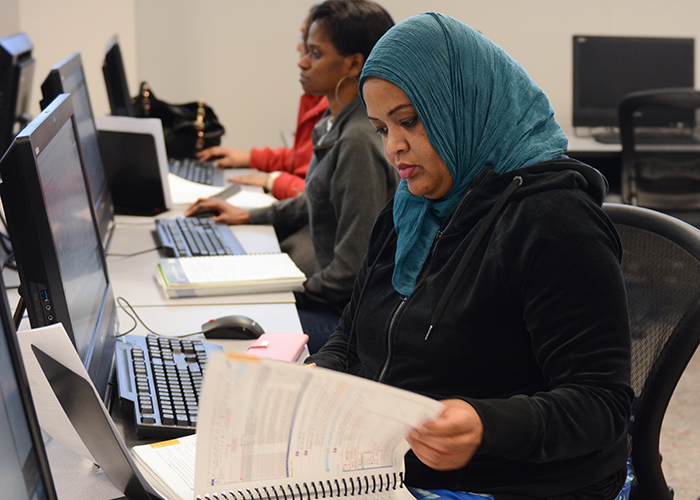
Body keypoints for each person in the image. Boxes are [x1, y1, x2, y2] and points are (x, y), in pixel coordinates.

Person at [305, 12, 634, 500]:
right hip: (384, 467)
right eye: (380, 129)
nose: (394, 147)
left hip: (504, 485)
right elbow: (351, 336)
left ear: (461, 105)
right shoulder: (410, 209)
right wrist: (317, 382)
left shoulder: (553, 219)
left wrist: (486, 424)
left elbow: (602, 404)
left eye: (409, 121)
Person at [185, 0, 399, 354]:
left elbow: (350, 272)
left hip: (341, 320)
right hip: (323, 299)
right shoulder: (334, 122)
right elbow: (317, 198)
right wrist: (249, 215)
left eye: (315, 53)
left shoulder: (358, 141)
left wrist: (278, 290)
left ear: (354, 63)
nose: (302, 61)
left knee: (221, 337)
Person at [196, 7, 329, 200]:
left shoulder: (337, 116)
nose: (299, 49)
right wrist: (252, 158)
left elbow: (319, 198)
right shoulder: (315, 99)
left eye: (307, 43)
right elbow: (300, 159)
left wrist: (272, 181)